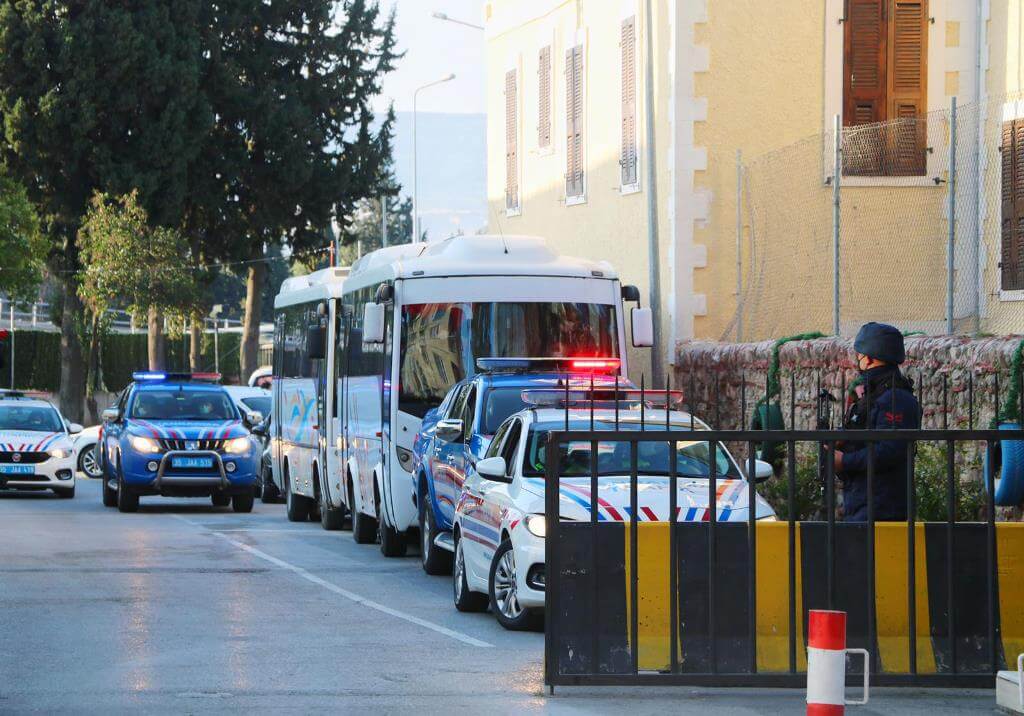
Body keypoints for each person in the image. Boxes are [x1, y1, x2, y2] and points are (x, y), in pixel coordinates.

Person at [833, 322, 921, 522]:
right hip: (861, 499)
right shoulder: (874, 392)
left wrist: (843, 461)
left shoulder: (895, 398)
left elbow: (889, 450)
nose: (858, 359)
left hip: (882, 505)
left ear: (870, 358)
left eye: (860, 355)